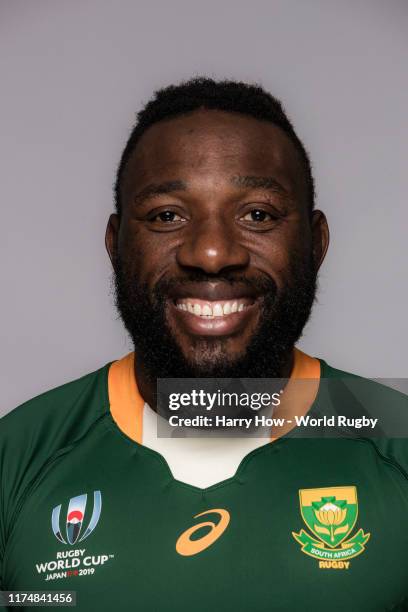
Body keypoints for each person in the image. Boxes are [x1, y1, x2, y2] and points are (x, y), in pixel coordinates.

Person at [1, 77, 407, 611]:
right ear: (115, 245)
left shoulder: (393, 442)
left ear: (316, 244)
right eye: (167, 216)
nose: (212, 253)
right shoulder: (20, 455)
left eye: (257, 214)